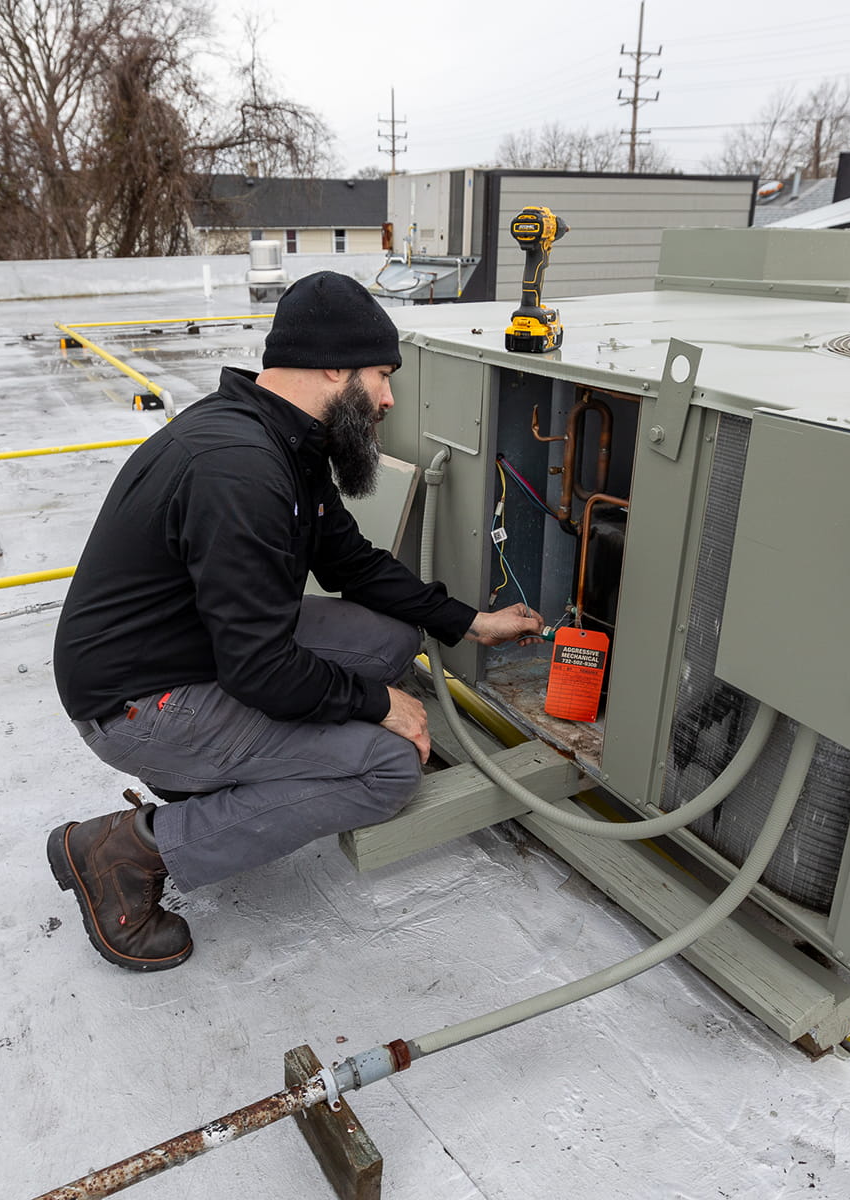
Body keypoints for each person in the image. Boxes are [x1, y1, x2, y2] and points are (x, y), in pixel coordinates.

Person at [49, 271, 541, 972]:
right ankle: (127, 850)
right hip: (138, 705)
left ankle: (238, 768)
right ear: (334, 364)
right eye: (382, 375)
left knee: (392, 636)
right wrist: (378, 706)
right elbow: (258, 669)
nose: (388, 398)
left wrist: (470, 624)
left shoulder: (279, 439)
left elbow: (351, 563)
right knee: (390, 769)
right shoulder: (240, 469)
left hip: (192, 649)